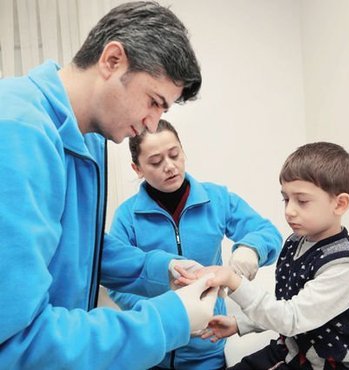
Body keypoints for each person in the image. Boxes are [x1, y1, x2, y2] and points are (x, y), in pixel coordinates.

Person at [0, 2, 219, 369]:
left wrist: (160, 268)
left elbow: (74, 246)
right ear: (113, 60)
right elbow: (15, 339)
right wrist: (169, 320)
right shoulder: (18, 130)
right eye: (154, 102)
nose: (151, 126)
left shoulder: (87, 138)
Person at [108, 118, 282, 370]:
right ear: (137, 168)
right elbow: (116, 280)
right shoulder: (127, 216)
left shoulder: (217, 198)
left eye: (175, 155)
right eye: (156, 162)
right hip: (152, 353)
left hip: (207, 351)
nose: (170, 166)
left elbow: (267, 232)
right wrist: (161, 315)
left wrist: (251, 250)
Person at [186, 142, 349, 369]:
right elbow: (286, 305)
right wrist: (241, 324)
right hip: (289, 348)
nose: (289, 211)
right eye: (286, 199)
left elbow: (292, 318)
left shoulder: (342, 267)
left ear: (340, 204)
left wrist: (233, 281)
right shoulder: (296, 241)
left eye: (302, 201)